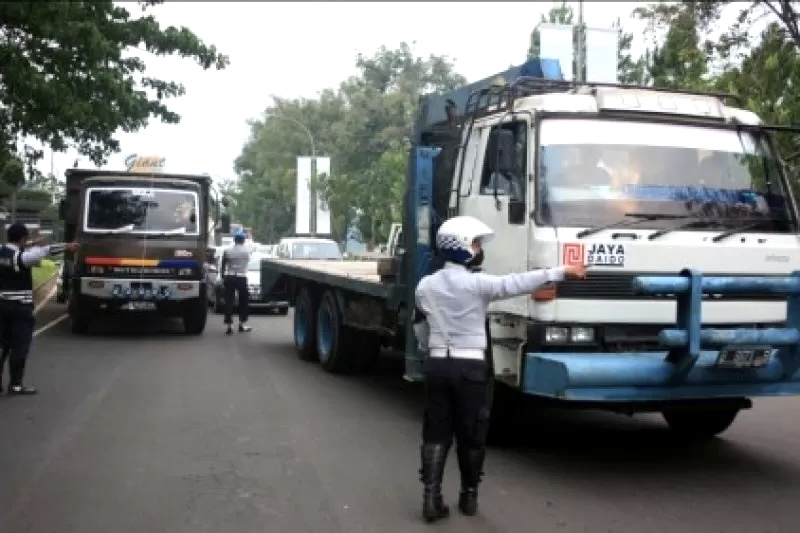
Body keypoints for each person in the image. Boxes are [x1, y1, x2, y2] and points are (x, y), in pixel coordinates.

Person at [414, 215, 587, 522]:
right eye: (476, 243)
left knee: (437, 432)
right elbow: (517, 283)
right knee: (472, 433)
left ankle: (431, 498)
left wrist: (434, 352)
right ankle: (469, 497)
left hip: (438, 365)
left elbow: (421, 330)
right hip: (471, 368)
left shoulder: (425, 287)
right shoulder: (479, 284)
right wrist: (562, 271)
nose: (480, 249)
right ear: (462, 247)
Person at [0, 224, 79, 395]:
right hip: (20, 308)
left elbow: (30, 251)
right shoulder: (21, 257)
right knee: (19, 347)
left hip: (2, 306)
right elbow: (44, 251)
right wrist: (67, 246)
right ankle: (15, 385)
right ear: (22, 238)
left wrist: (28, 245)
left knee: (3, 346)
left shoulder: (2, 252)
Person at [220, 228, 252, 335]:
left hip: (230, 276)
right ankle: (242, 324)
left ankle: (229, 326)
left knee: (229, 301)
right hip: (242, 277)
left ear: (234, 240)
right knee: (243, 301)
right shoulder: (247, 251)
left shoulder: (227, 251)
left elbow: (223, 266)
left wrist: (222, 277)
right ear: (243, 240)